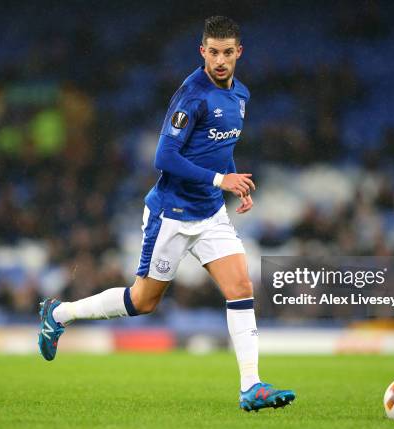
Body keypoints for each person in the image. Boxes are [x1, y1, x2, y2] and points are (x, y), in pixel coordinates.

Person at [38, 16, 295, 412]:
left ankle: (251, 387)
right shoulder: (192, 96)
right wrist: (219, 181)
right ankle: (61, 313)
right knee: (143, 301)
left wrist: (235, 184)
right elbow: (165, 157)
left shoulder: (240, 94)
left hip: (210, 214)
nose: (221, 60)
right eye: (213, 52)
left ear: (239, 52)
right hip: (172, 214)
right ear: (202, 51)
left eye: (228, 52)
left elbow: (219, 147)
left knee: (241, 288)